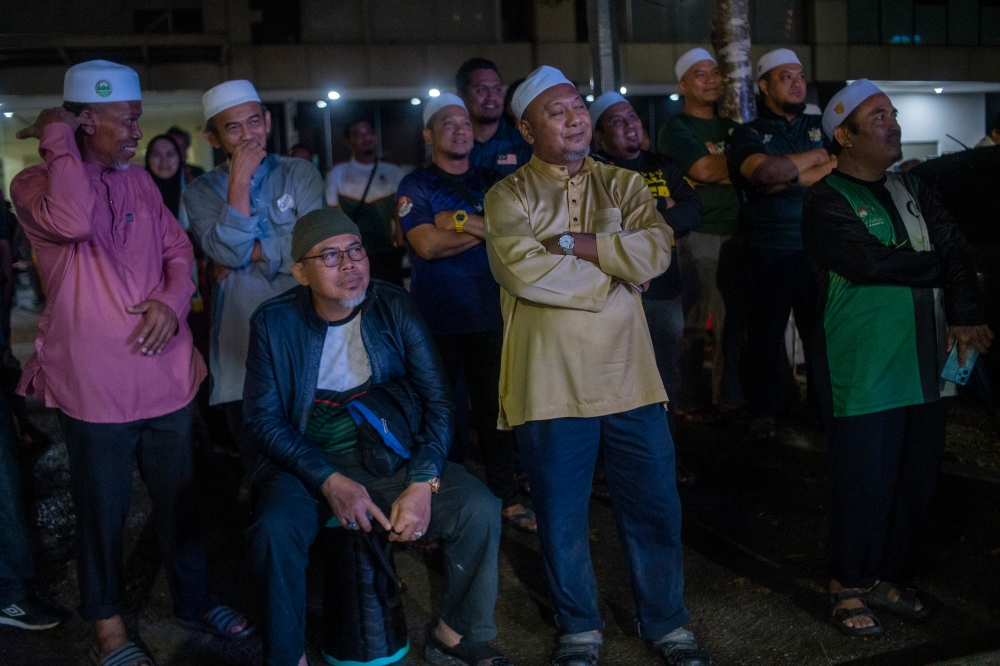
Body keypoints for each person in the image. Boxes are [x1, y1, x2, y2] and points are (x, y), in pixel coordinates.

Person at [10, 60, 252, 666]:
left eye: (138, 117)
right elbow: (75, 219)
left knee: (180, 502)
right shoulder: (35, 186)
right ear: (84, 121)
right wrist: (57, 135)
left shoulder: (141, 183)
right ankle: (108, 623)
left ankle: (194, 601)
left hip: (165, 378)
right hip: (97, 385)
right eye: (127, 120)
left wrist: (171, 304)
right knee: (103, 511)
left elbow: (176, 250)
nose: (138, 131)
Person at [484, 65, 710, 666]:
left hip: (629, 374)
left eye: (578, 108)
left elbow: (656, 251)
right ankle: (579, 628)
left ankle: (666, 622)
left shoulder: (627, 185)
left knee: (655, 506)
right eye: (556, 113)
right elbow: (519, 270)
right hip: (550, 379)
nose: (576, 118)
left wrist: (570, 243)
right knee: (560, 515)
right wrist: (616, 271)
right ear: (526, 129)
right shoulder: (507, 196)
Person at [244, 208, 513, 666]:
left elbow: (439, 401)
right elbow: (264, 421)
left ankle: (454, 634)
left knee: (478, 508)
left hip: (385, 456)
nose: (350, 265)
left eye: (356, 250)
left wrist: (422, 481)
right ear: (300, 272)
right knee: (273, 530)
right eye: (330, 256)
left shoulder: (393, 305)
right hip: (307, 462)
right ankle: (286, 656)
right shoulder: (274, 322)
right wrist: (329, 480)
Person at [802, 79, 992, 636]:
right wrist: (954, 273)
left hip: (925, 363)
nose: (894, 123)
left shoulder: (915, 190)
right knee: (864, 480)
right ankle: (846, 583)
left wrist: (963, 301)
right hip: (864, 369)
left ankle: (884, 576)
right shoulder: (825, 199)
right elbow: (874, 264)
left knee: (914, 482)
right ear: (844, 135)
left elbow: (956, 246)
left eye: (893, 112)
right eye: (878, 115)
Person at [396, 94, 535, 533]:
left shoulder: (496, 179)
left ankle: (506, 498)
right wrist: (485, 228)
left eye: (463, 121)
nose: (459, 128)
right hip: (436, 322)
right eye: (447, 123)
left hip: (492, 314)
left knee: (498, 413)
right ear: (428, 135)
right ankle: (441, 502)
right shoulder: (415, 184)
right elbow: (424, 244)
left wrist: (453, 220)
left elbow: (518, 232)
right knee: (443, 417)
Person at [183, 79, 325, 471]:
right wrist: (240, 181)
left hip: (307, 324)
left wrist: (255, 251)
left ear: (267, 121)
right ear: (214, 138)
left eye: (254, 122)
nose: (248, 135)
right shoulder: (200, 193)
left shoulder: (300, 173)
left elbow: (320, 242)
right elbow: (229, 252)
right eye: (233, 128)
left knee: (322, 453)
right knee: (262, 465)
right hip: (240, 333)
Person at [727, 48, 836, 440]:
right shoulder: (749, 133)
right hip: (767, 249)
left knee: (821, 335)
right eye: (785, 76)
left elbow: (843, 167)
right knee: (765, 337)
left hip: (820, 249)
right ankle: (764, 412)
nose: (796, 82)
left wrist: (788, 177)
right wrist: (816, 160)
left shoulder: (822, 125)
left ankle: (823, 411)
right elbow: (764, 172)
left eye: (800, 75)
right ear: (764, 86)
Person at [590, 91, 701, 443]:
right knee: (616, 378)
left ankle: (665, 459)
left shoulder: (663, 164)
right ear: (600, 135)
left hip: (665, 288)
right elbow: (606, 224)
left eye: (632, 118)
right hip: (617, 291)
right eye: (617, 122)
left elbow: (692, 211)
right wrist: (661, 206)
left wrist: (641, 217)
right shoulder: (597, 171)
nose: (630, 126)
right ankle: (613, 467)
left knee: (665, 377)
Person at [659, 48, 744, 416]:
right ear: (682, 84)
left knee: (732, 323)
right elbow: (704, 170)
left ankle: (726, 396)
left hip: (737, 233)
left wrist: (717, 170)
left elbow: (713, 170)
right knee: (692, 323)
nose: (711, 79)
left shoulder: (733, 129)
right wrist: (735, 169)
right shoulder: (677, 129)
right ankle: (686, 398)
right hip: (699, 234)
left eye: (714, 72)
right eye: (700, 74)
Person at [326, 119, 405, 284]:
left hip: (388, 254)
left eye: (369, 133)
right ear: (348, 142)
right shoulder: (338, 173)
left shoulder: (394, 172)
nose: (365, 138)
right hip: (353, 255)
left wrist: (401, 248)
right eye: (358, 135)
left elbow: (401, 215)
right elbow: (332, 218)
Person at [457, 58, 533, 177]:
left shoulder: (523, 144)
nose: (491, 97)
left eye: (497, 89)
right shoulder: (453, 144)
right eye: (481, 90)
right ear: (461, 97)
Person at [145, 134, 185, 219]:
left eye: (170, 154)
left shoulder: (193, 193)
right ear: (148, 159)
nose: (164, 160)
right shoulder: (134, 194)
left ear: (179, 158)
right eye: (157, 154)